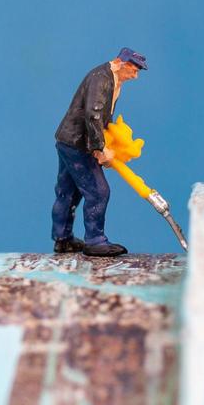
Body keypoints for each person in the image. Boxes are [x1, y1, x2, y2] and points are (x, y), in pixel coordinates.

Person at [51, 48, 147, 256]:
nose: (135, 75)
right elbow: (93, 116)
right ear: (121, 64)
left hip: (68, 139)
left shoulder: (111, 79)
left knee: (69, 190)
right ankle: (95, 240)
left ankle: (62, 238)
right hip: (78, 143)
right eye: (134, 70)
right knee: (98, 191)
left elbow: (102, 117)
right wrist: (100, 148)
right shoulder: (102, 79)